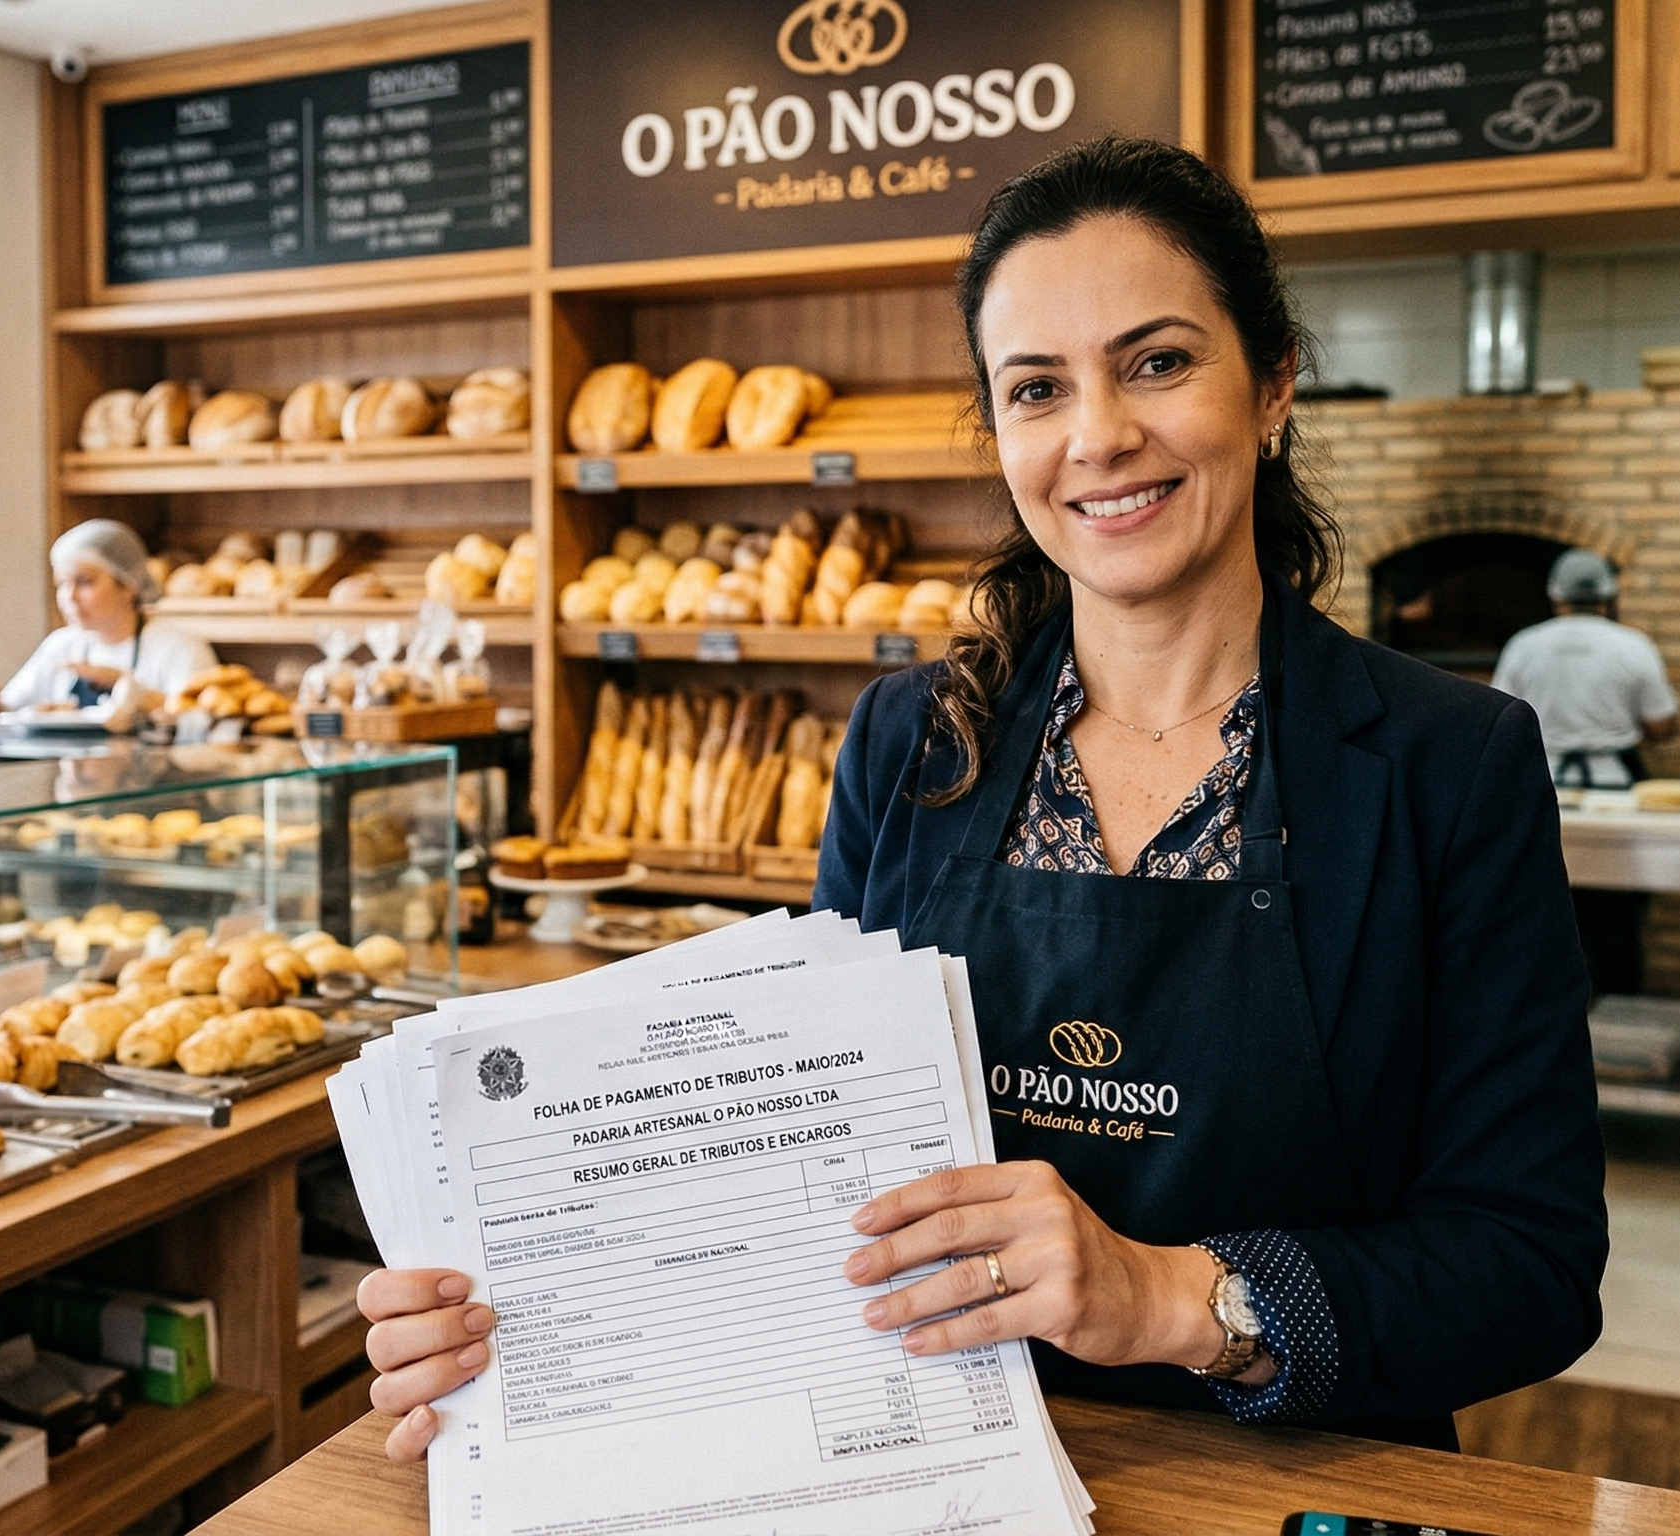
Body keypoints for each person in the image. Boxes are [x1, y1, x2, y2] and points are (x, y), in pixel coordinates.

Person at [355, 139, 1606, 1457]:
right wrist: (529, 1315)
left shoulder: (1446, 761)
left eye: (1159, 362)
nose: (1099, 434)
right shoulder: (911, 740)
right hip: (933, 1469)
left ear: (1275, 381)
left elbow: (1526, 1264)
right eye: (1036, 389)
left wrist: (1175, 1296)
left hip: (1292, 1485)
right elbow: (805, 1179)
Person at [1489, 548, 1680, 994]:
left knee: (1543, 907)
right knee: (1617, 916)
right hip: (1614, 790)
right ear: (1609, 597)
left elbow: (1501, 718)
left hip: (1544, 786)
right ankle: (1617, 1008)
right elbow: (1662, 726)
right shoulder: (1633, 644)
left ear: (1555, 597)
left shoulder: (1524, 644)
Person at [0, 519, 213, 717]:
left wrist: (129, 688)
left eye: (84, 582)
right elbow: (10, 706)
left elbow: (197, 725)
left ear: (129, 584)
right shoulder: (62, 646)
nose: (70, 596)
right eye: (62, 584)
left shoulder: (179, 650)